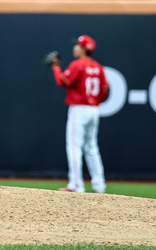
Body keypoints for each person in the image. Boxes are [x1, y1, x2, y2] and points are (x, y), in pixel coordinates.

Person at [47, 35, 109, 193]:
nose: (75, 48)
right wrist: (95, 102)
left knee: (74, 147)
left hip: (79, 109)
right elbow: (104, 89)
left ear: (84, 49)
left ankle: (76, 184)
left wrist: (56, 67)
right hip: (94, 109)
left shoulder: (78, 65)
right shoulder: (98, 67)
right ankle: (99, 184)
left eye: (78, 46)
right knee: (91, 147)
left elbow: (62, 81)